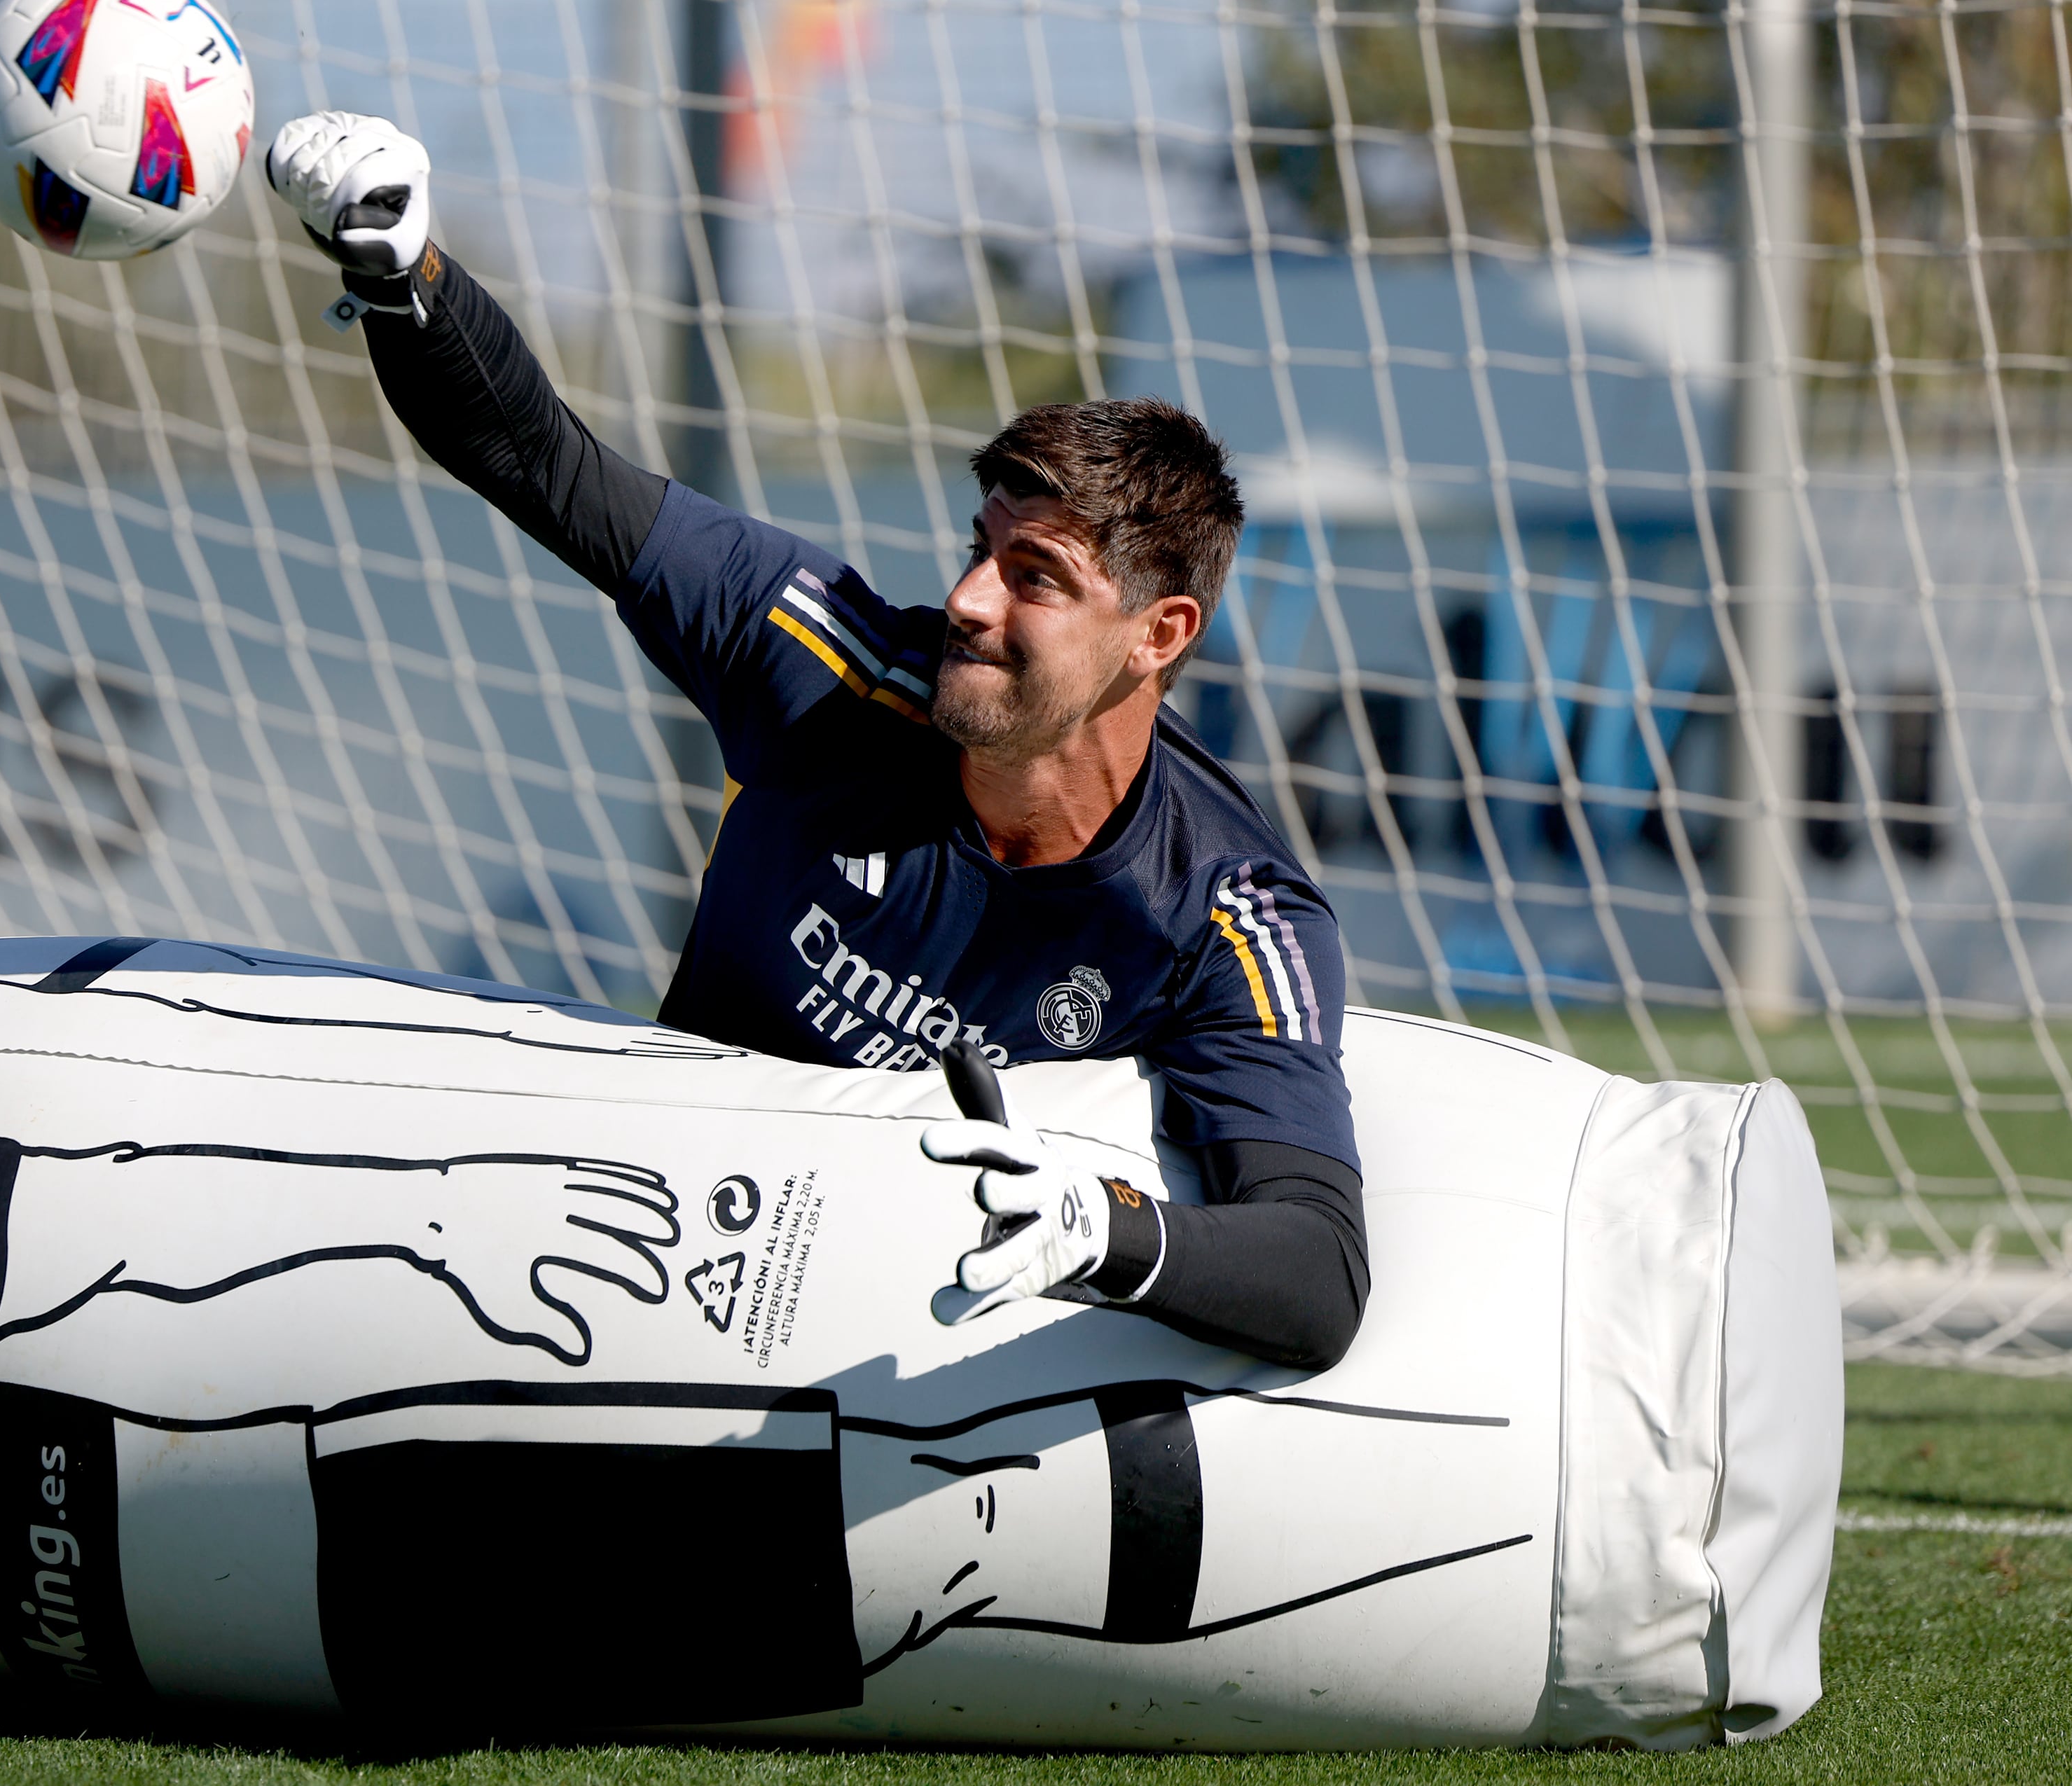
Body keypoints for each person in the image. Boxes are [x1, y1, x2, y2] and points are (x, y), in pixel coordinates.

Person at [264, 115, 1370, 1372]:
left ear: (1158, 633)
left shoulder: (1231, 916)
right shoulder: (830, 662)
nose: (967, 599)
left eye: (1035, 576)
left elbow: (1318, 1273)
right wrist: (401, 272)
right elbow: (543, 461)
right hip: (623, 1265)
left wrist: (1100, 1227)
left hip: (893, 1392)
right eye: (976, 547)